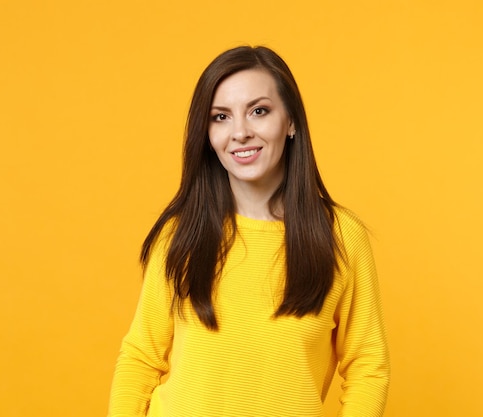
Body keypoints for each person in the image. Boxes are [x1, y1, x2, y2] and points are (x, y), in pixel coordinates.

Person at [108, 45, 390, 417]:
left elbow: (367, 365)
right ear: (207, 135)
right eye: (221, 117)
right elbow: (141, 358)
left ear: (291, 122)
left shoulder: (340, 237)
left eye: (259, 111)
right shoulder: (180, 234)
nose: (240, 132)